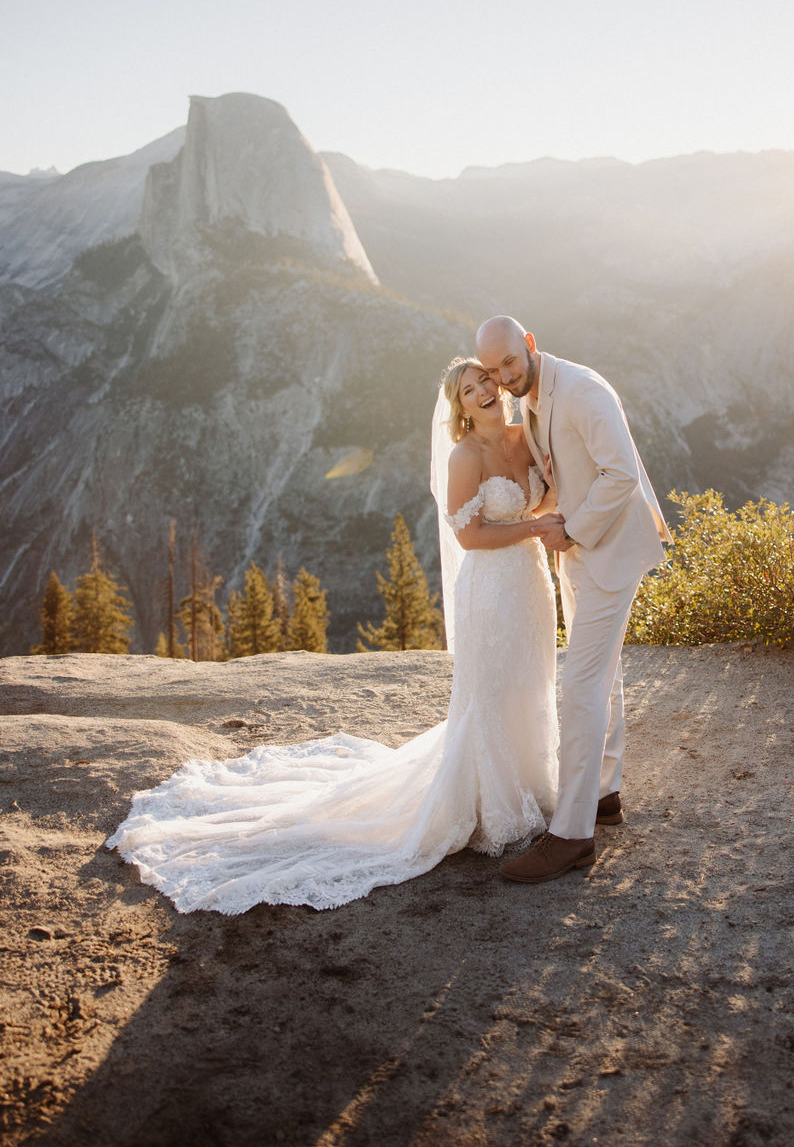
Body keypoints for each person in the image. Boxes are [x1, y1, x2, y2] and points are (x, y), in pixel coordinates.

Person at [106, 358, 564, 913]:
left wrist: (549, 508)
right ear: (461, 407)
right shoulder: (465, 457)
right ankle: (494, 805)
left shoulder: (525, 435)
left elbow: (538, 499)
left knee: (529, 681)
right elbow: (469, 535)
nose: (484, 392)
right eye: (469, 390)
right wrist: (537, 525)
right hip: (490, 590)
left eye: (486, 381)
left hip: (531, 584)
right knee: (490, 693)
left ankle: (533, 785)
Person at [475, 317, 669, 885]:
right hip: (580, 552)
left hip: (606, 553)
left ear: (529, 345)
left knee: (580, 685)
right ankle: (603, 795)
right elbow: (569, 473)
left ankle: (572, 836)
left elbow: (622, 473)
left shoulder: (582, 391)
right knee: (601, 678)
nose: (504, 377)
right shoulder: (535, 396)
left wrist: (574, 530)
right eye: (492, 370)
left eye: (510, 361)